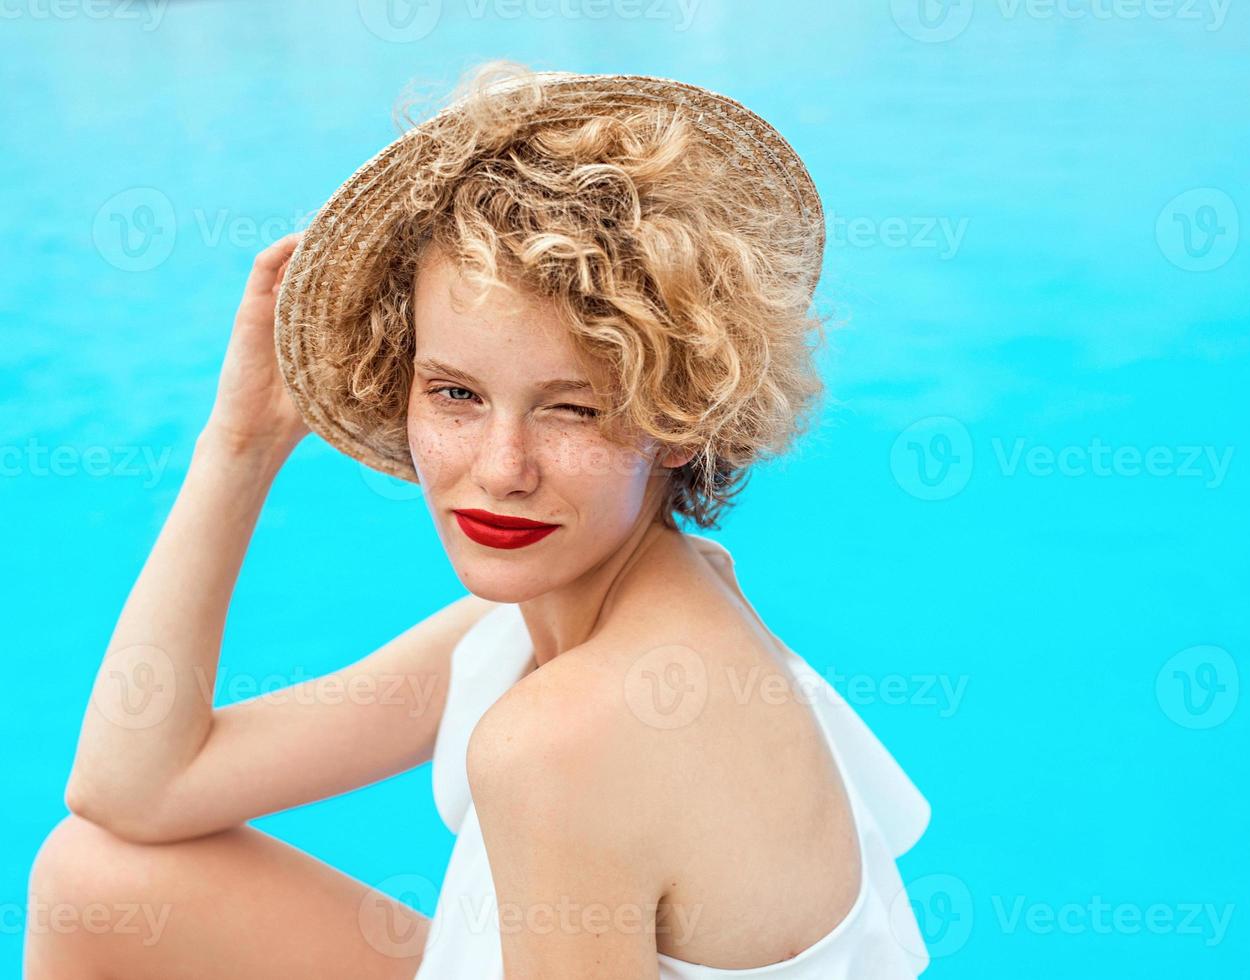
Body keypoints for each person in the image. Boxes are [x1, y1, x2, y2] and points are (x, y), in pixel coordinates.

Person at [27, 61, 931, 979]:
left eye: (573, 408)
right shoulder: (572, 618)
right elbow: (130, 790)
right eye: (455, 393)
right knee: (91, 881)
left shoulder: (568, 739)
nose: (501, 471)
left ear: (677, 417)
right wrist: (240, 447)